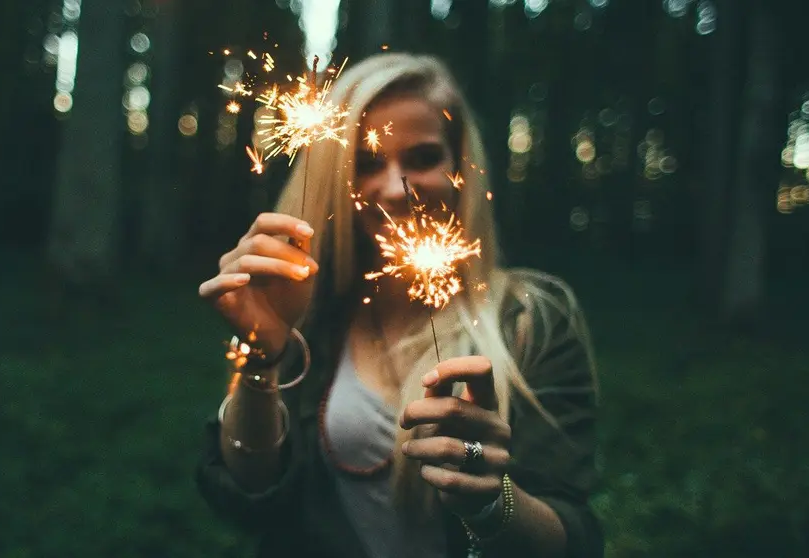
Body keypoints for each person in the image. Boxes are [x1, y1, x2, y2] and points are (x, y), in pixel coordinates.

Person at [196, 52, 602, 558]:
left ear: (461, 167)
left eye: (423, 157)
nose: (396, 188)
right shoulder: (310, 314)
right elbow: (249, 498)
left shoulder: (531, 318)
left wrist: (492, 502)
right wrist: (261, 355)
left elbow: (574, 538)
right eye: (367, 163)